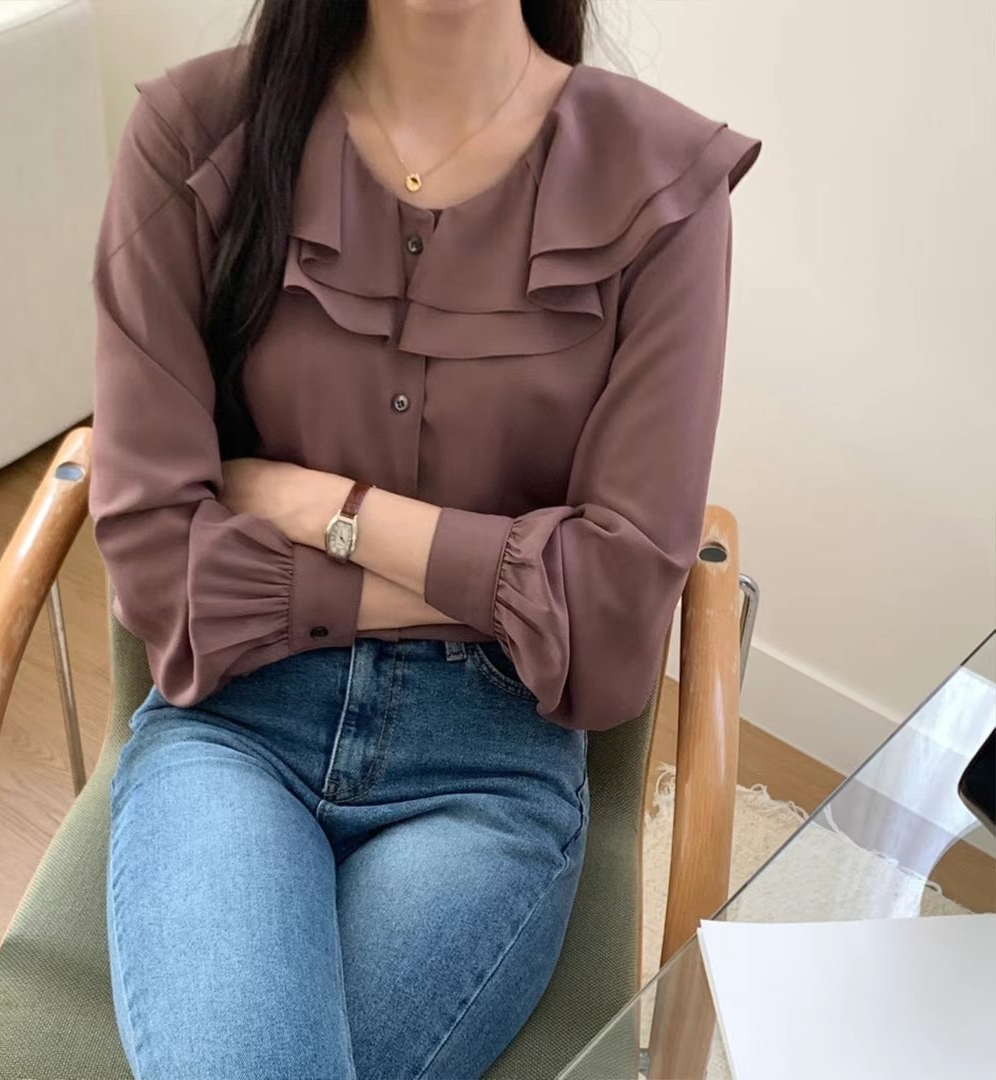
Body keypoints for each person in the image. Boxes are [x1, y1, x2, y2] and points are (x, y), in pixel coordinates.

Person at [90, 0, 762, 1076]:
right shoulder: (195, 134)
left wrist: (323, 509)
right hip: (234, 727)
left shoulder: (665, 190)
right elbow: (158, 564)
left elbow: (611, 628)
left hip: (488, 772)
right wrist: (512, 581)